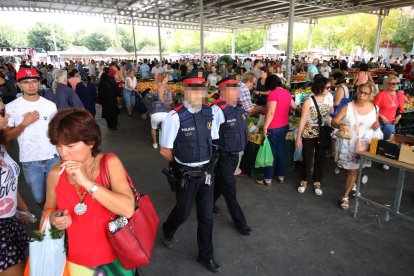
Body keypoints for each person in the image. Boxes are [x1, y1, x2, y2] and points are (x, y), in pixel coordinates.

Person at [44, 109, 135, 275]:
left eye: (70, 146)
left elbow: (127, 208)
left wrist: (86, 182)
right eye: (58, 146)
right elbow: (48, 209)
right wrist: (53, 218)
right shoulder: (55, 174)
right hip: (77, 262)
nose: (63, 153)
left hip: (116, 258)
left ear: (91, 141)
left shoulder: (109, 163)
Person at [160, 70, 221, 273]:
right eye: (192, 90)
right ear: (185, 91)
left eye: (200, 90)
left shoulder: (209, 112)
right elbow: (165, 149)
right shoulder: (175, 117)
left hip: (206, 174)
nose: (196, 95)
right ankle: (168, 230)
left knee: (207, 216)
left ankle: (206, 255)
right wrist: (181, 167)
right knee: (183, 212)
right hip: (186, 176)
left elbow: (211, 140)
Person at [5, 68, 60, 207]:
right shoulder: (11, 108)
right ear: (19, 85)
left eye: (34, 81)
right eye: (26, 82)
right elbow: (6, 136)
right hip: (30, 160)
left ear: (39, 82)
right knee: (39, 197)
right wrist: (24, 124)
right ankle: (46, 219)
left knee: (58, 194)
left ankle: (56, 225)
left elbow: (57, 131)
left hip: (53, 157)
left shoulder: (50, 105)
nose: (31, 85)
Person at [211, 76, 251, 235]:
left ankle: (209, 203)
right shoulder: (217, 111)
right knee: (230, 189)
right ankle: (240, 223)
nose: (238, 92)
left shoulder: (238, 108)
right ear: (224, 91)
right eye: (234, 90)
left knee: (222, 184)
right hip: (223, 156)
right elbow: (210, 135)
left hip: (235, 155)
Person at [332, 83, 380, 210]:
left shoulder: (375, 108)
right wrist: (340, 125)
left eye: (366, 93)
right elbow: (334, 121)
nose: (362, 95)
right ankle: (349, 190)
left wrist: (376, 126)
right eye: (360, 92)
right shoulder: (348, 107)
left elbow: (375, 124)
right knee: (351, 170)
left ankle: (346, 195)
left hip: (365, 145)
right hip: (349, 145)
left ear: (371, 95)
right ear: (357, 92)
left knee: (355, 170)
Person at [0, 112, 31, 276]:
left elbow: (7, 180)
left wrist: (22, 206)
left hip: (8, 221)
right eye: (1, 113)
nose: (7, 115)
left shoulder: (2, 146)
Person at [256, 74, 297, 186]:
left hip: (273, 127)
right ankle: (281, 176)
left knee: (271, 153)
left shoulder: (273, 94)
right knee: (281, 151)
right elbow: (294, 106)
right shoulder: (287, 93)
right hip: (284, 126)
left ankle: (267, 178)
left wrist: (265, 127)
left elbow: (271, 112)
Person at [296, 76, 333, 196]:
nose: (329, 89)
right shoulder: (308, 101)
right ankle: (304, 179)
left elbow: (327, 117)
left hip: (322, 133)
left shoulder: (328, 99)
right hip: (308, 133)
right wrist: (298, 137)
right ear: (320, 87)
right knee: (307, 157)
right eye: (327, 87)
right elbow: (302, 120)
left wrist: (335, 127)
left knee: (320, 158)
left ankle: (317, 181)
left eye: (329, 87)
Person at [373, 75, 405, 170]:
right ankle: (369, 157)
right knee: (375, 140)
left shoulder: (400, 94)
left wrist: (398, 116)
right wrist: (381, 116)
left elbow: (401, 108)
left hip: (390, 123)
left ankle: (385, 161)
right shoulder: (381, 94)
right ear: (387, 84)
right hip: (378, 121)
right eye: (392, 83)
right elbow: (374, 108)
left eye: (397, 83)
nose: (395, 85)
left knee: (388, 141)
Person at [150, 73, 173, 149]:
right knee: (162, 127)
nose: (168, 78)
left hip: (163, 110)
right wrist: (167, 105)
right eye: (167, 77)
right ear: (164, 78)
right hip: (163, 109)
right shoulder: (162, 86)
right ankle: (158, 143)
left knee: (155, 127)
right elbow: (160, 98)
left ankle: (156, 143)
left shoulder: (164, 85)